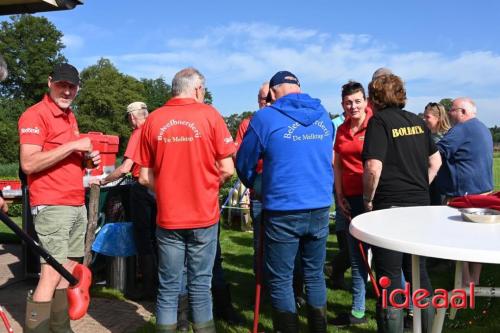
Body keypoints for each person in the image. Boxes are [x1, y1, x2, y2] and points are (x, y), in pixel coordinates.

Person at [136, 67, 235, 333]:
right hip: (203, 215)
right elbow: (227, 169)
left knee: (168, 287)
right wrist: (204, 185)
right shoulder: (210, 115)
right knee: (201, 286)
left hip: (168, 217)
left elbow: (144, 177)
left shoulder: (153, 120)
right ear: (198, 89)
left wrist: (168, 190)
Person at [237, 71, 333, 333]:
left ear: (273, 93)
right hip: (320, 205)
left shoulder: (265, 117)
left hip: (283, 208)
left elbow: (244, 163)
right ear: (299, 88)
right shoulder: (324, 115)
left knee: (280, 279)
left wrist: (256, 185)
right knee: (314, 275)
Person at [18, 63, 101, 333]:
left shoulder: (70, 117)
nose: (66, 91)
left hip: (75, 202)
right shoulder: (35, 115)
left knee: (67, 272)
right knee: (51, 273)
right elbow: (29, 164)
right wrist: (74, 146)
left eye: (72, 86)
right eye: (61, 85)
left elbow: (65, 158)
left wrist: (87, 159)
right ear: (49, 82)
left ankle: (61, 328)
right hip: (52, 204)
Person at [362, 74, 441, 333]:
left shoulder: (379, 122)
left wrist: (368, 198)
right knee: (420, 273)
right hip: (420, 206)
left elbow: (373, 167)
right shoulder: (418, 122)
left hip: (391, 209)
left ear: (375, 97)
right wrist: (419, 186)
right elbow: (436, 162)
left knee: (390, 277)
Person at [99, 101, 159, 301]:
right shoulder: (158, 129)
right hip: (159, 187)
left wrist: (104, 180)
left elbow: (125, 168)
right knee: (159, 236)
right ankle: (161, 285)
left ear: (133, 117)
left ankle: (147, 287)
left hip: (141, 187)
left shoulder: (138, 133)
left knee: (144, 238)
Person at [436, 97, 494, 286]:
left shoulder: (461, 129)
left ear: (462, 112)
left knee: (458, 239)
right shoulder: (483, 128)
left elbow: (438, 151)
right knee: (478, 240)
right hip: (484, 192)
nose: (449, 113)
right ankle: (474, 280)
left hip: (464, 195)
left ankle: (464, 280)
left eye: (451, 110)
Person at [331, 81, 372, 326]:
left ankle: (401, 306)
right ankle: (358, 311)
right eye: (348, 102)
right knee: (357, 257)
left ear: (366, 102)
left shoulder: (375, 126)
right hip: (350, 200)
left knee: (385, 255)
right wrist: (339, 196)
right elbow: (337, 164)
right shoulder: (342, 129)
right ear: (342, 105)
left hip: (373, 200)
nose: (353, 106)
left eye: (357, 101)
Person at [423, 102, 451, 205]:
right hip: (428, 180)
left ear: (438, 118)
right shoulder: (425, 134)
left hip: (441, 183)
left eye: (427, 117)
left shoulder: (449, 136)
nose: (424, 119)